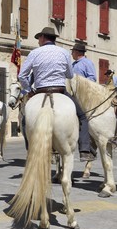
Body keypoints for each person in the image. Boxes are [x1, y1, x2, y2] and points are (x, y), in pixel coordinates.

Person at [18, 27, 96, 162]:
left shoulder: (34, 53)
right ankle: (84, 150)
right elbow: (70, 75)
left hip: (40, 91)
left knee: (25, 120)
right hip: (60, 91)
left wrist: (29, 90)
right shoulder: (64, 52)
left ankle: (30, 148)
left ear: (43, 38)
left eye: (38, 39)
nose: (38, 41)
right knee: (83, 117)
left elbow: (22, 76)